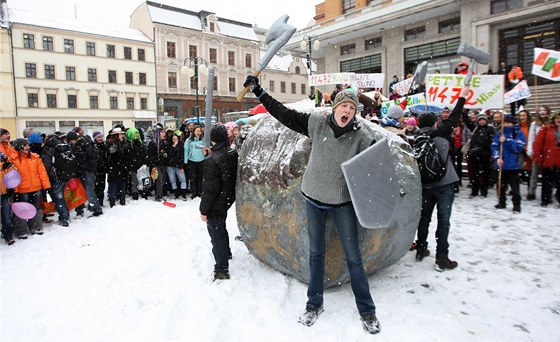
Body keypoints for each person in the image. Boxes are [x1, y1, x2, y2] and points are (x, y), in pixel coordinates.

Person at [243, 75, 381, 335]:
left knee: (354, 258)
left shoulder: (361, 136)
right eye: (344, 106)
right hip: (313, 199)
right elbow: (285, 114)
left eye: (352, 108)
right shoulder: (317, 123)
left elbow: (376, 166)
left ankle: (367, 310)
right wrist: (259, 92)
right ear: (335, 108)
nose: (347, 111)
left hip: (342, 204)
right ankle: (314, 304)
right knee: (315, 254)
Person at [415, 86, 469, 272]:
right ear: (435, 122)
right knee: (443, 220)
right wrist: (462, 96)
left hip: (426, 185)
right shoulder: (442, 132)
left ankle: (421, 248)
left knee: (424, 218)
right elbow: (455, 115)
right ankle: (442, 257)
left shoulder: (415, 138)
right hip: (445, 183)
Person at [199, 124, 238, 281]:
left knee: (216, 233)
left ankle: (221, 268)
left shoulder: (212, 160)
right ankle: (226, 252)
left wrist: (204, 210)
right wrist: (211, 154)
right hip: (227, 198)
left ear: (213, 139)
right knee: (220, 227)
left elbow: (210, 189)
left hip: (216, 202)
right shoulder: (231, 152)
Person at [10, 138, 51, 238]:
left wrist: (46, 186)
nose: (27, 148)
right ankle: (21, 230)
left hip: (36, 188)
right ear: (18, 147)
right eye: (24, 146)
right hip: (21, 190)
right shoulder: (12, 159)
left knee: (36, 208)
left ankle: (36, 227)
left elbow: (42, 173)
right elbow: (12, 176)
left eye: (28, 145)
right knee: (21, 210)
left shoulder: (35, 157)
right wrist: (14, 189)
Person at [492, 115, 526, 213]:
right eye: (504, 123)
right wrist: (497, 158)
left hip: (513, 165)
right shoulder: (499, 133)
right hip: (501, 164)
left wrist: (507, 141)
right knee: (500, 186)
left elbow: (518, 148)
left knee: (515, 187)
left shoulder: (517, 133)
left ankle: (516, 205)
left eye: (508, 123)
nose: (505, 125)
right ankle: (501, 201)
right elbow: (494, 146)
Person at [463, 112, 495, 198]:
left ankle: (484, 192)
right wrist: (464, 111)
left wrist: (492, 153)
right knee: (474, 174)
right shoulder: (475, 128)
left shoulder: (490, 129)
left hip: (485, 155)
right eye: (480, 120)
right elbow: (467, 121)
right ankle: (474, 191)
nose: (481, 122)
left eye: (483, 120)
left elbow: (493, 142)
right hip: (474, 154)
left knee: (485, 174)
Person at [532, 111, 560, 207]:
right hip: (548, 159)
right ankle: (545, 199)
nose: (558, 120)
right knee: (547, 182)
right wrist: (538, 156)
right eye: (557, 118)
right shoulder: (546, 129)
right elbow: (537, 143)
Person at [527, 105, 551, 201]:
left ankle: (546, 193)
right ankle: (531, 192)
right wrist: (530, 150)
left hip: (549, 152)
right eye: (540, 110)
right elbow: (531, 138)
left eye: (544, 110)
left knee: (548, 175)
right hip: (537, 151)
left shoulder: (551, 123)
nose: (542, 112)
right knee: (534, 173)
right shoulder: (534, 124)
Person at [1, 128, 19, 244]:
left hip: (7, 186)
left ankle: (8, 234)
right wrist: (3, 165)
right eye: (5, 134)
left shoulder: (9, 148)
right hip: (2, 184)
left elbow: (14, 164)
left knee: (7, 212)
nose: (8, 135)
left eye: (8, 133)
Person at [106, 127, 131, 207]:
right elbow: (110, 152)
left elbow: (127, 154)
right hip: (113, 168)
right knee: (113, 185)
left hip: (123, 167)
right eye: (120, 134)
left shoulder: (125, 143)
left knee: (122, 184)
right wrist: (117, 144)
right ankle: (112, 201)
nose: (122, 135)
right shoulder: (111, 143)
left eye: (122, 134)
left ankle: (122, 200)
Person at [126, 128, 148, 201]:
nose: (136, 135)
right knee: (134, 182)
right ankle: (135, 195)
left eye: (137, 133)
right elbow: (129, 156)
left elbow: (144, 154)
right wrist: (132, 166)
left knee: (142, 180)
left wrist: (144, 163)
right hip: (134, 166)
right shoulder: (129, 144)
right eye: (135, 133)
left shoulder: (140, 143)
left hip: (141, 165)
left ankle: (144, 193)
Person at [147, 127, 168, 202]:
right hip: (156, 165)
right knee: (159, 180)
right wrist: (153, 166)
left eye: (164, 132)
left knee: (163, 180)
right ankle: (158, 196)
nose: (164, 134)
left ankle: (161, 194)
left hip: (162, 164)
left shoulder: (163, 142)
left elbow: (164, 153)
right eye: (162, 132)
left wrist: (164, 154)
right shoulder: (152, 143)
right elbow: (150, 156)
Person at [184, 125, 205, 199]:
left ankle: (200, 192)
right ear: (194, 132)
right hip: (192, 161)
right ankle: (194, 192)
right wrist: (185, 162)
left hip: (201, 160)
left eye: (200, 131)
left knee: (200, 177)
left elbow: (206, 149)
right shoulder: (189, 140)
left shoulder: (203, 140)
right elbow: (186, 151)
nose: (199, 132)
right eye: (197, 131)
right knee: (192, 178)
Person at [166, 132, 187, 200]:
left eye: (176, 139)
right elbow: (170, 154)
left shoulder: (181, 146)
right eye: (173, 139)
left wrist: (181, 166)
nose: (174, 140)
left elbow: (182, 156)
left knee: (183, 179)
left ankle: (183, 195)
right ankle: (176, 194)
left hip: (178, 166)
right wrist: (174, 147)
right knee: (172, 180)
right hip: (170, 165)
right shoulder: (169, 146)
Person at [92, 131, 107, 205]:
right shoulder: (93, 146)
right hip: (95, 170)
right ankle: (96, 202)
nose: (100, 138)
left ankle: (100, 202)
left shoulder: (104, 146)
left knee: (102, 187)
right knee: (96, 187)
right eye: (98, 137)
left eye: (101, 136)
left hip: (102, 169)